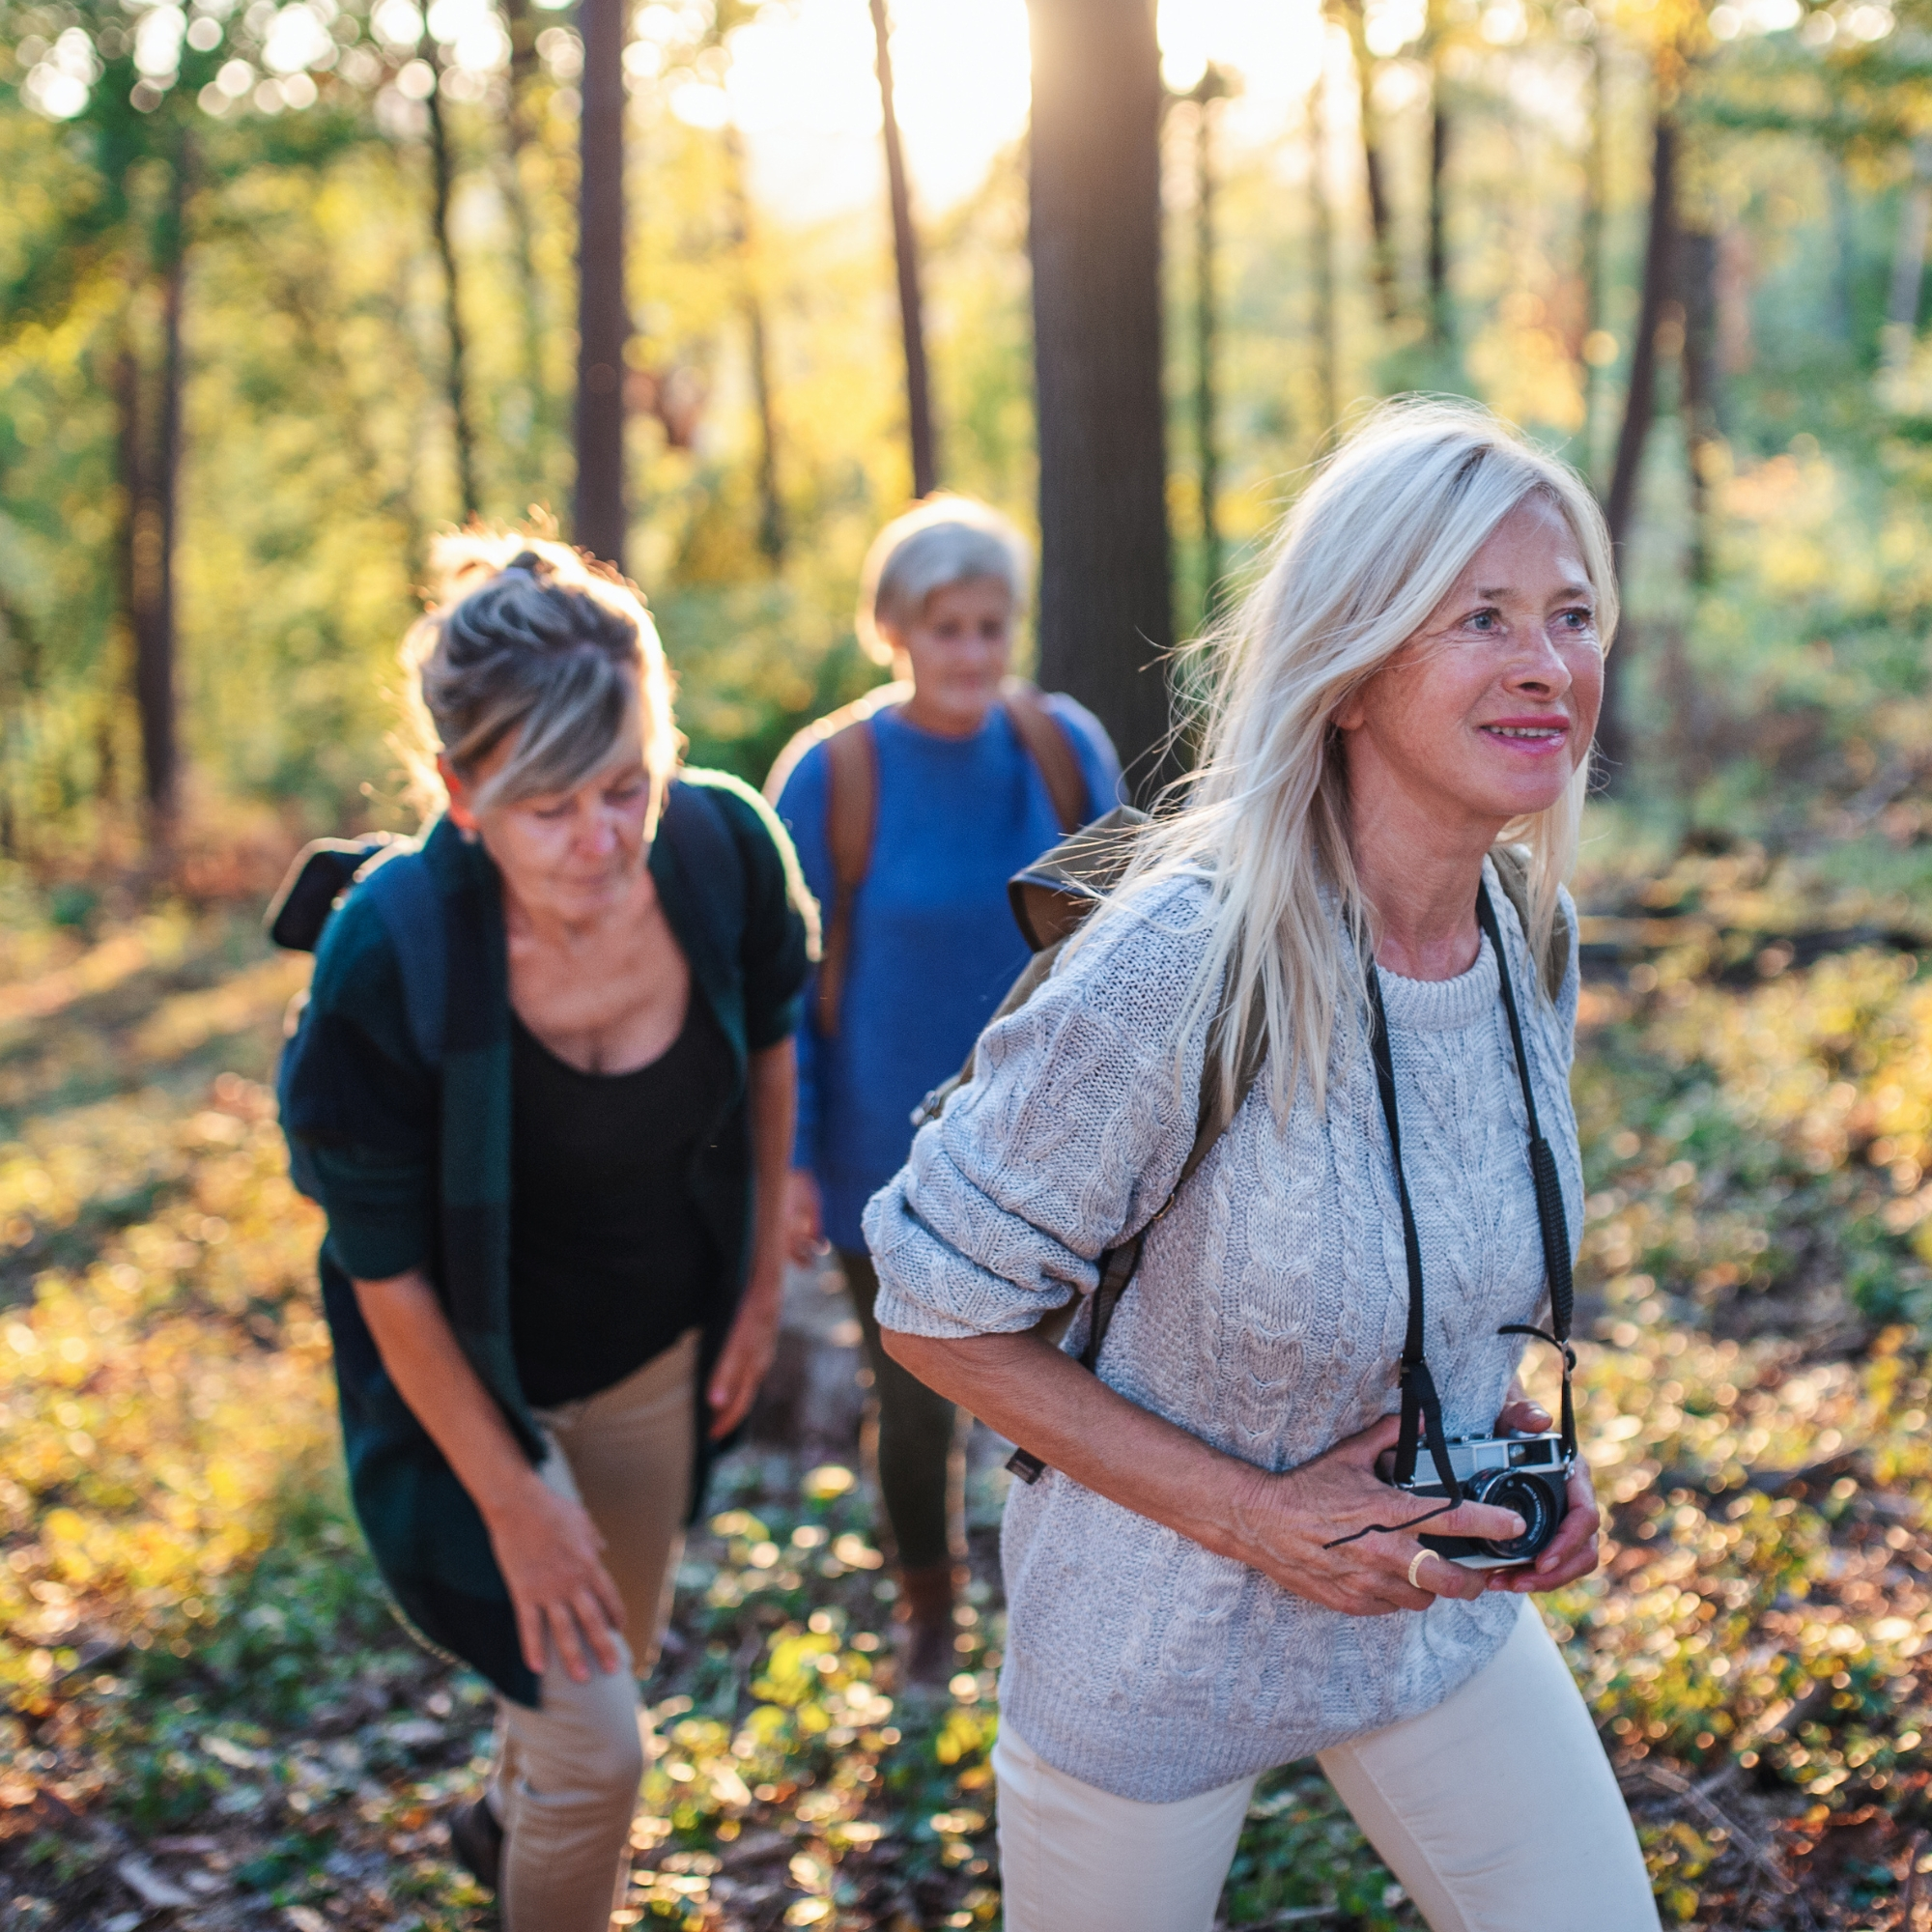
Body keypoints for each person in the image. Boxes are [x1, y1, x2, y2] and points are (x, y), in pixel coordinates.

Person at [865, 403, 1661, 1932]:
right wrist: (1257, 1515)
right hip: (1147, 1659)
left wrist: (1514, 1451)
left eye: (1570, 617)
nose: (1544, 663)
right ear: (1353, 669)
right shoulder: (1181, 963)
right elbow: (925, 1301)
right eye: (1478, 618)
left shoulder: (1523, 936)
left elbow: (1440, 1245)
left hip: (1426, 1616)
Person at [279, 534, 812, 1932]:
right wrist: (518, 1498)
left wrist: (758, 1280)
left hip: (653, 1352)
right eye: (550, 808)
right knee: (600, 1746)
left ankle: (503, 1828)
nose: (602, 840)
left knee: (599, 1663)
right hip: (465, 1384)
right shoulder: (389, 952)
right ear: (459, 796)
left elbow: (767, 1055)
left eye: (627, 785)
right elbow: (380, 1268)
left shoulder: (721, 853)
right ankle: (543, 1837)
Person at [767, 496, 1121, 1685]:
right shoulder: (832, 776)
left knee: (1072, 1398)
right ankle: (929, 1612)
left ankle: (1062, 1621)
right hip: (888, 1152)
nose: (970, 652)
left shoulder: (1063, 750)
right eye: (945, 628)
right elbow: (784, 988)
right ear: (897, 631)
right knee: (918, 1399)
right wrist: (793, 1158)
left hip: (1054, 1140)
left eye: (989, 626)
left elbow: (1132, 946)